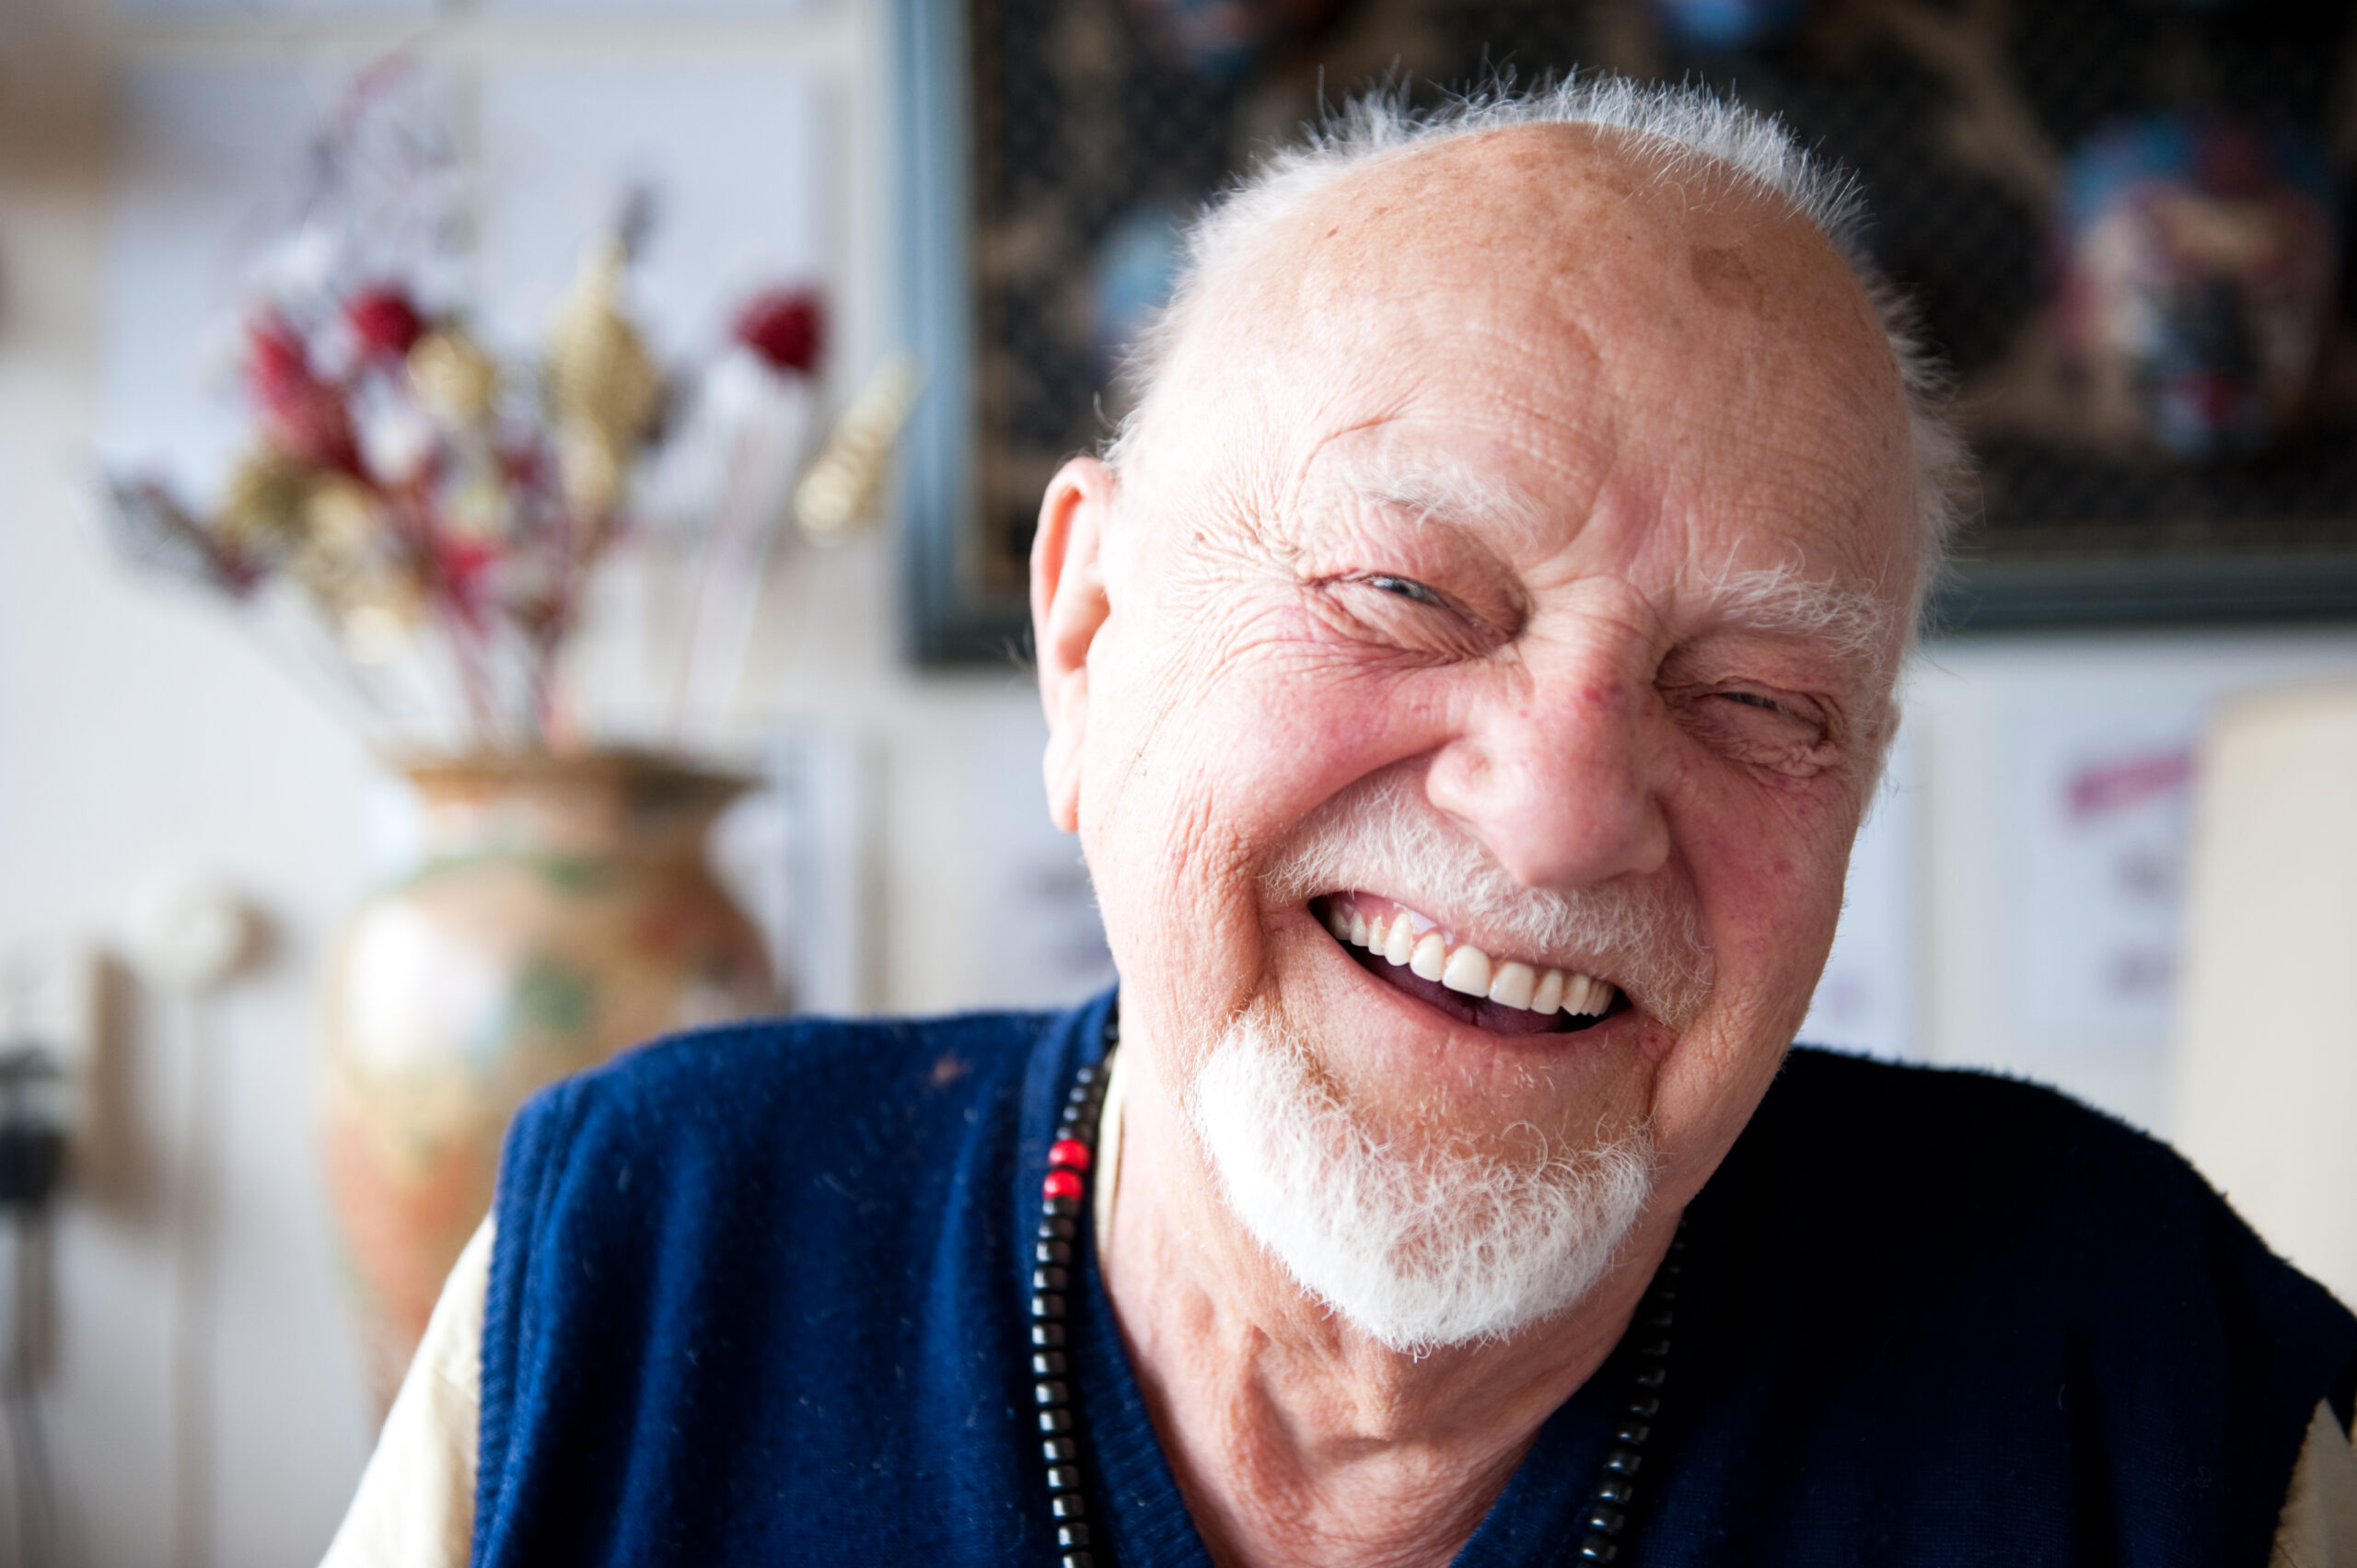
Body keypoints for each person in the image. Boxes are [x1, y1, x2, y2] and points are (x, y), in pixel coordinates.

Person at [323, 79, 2357, 1568]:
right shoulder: (641, 1274)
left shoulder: (2148, 1386)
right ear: (1087, 632)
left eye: (1752, 699)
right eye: (1405, 595)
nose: (1562, 819)